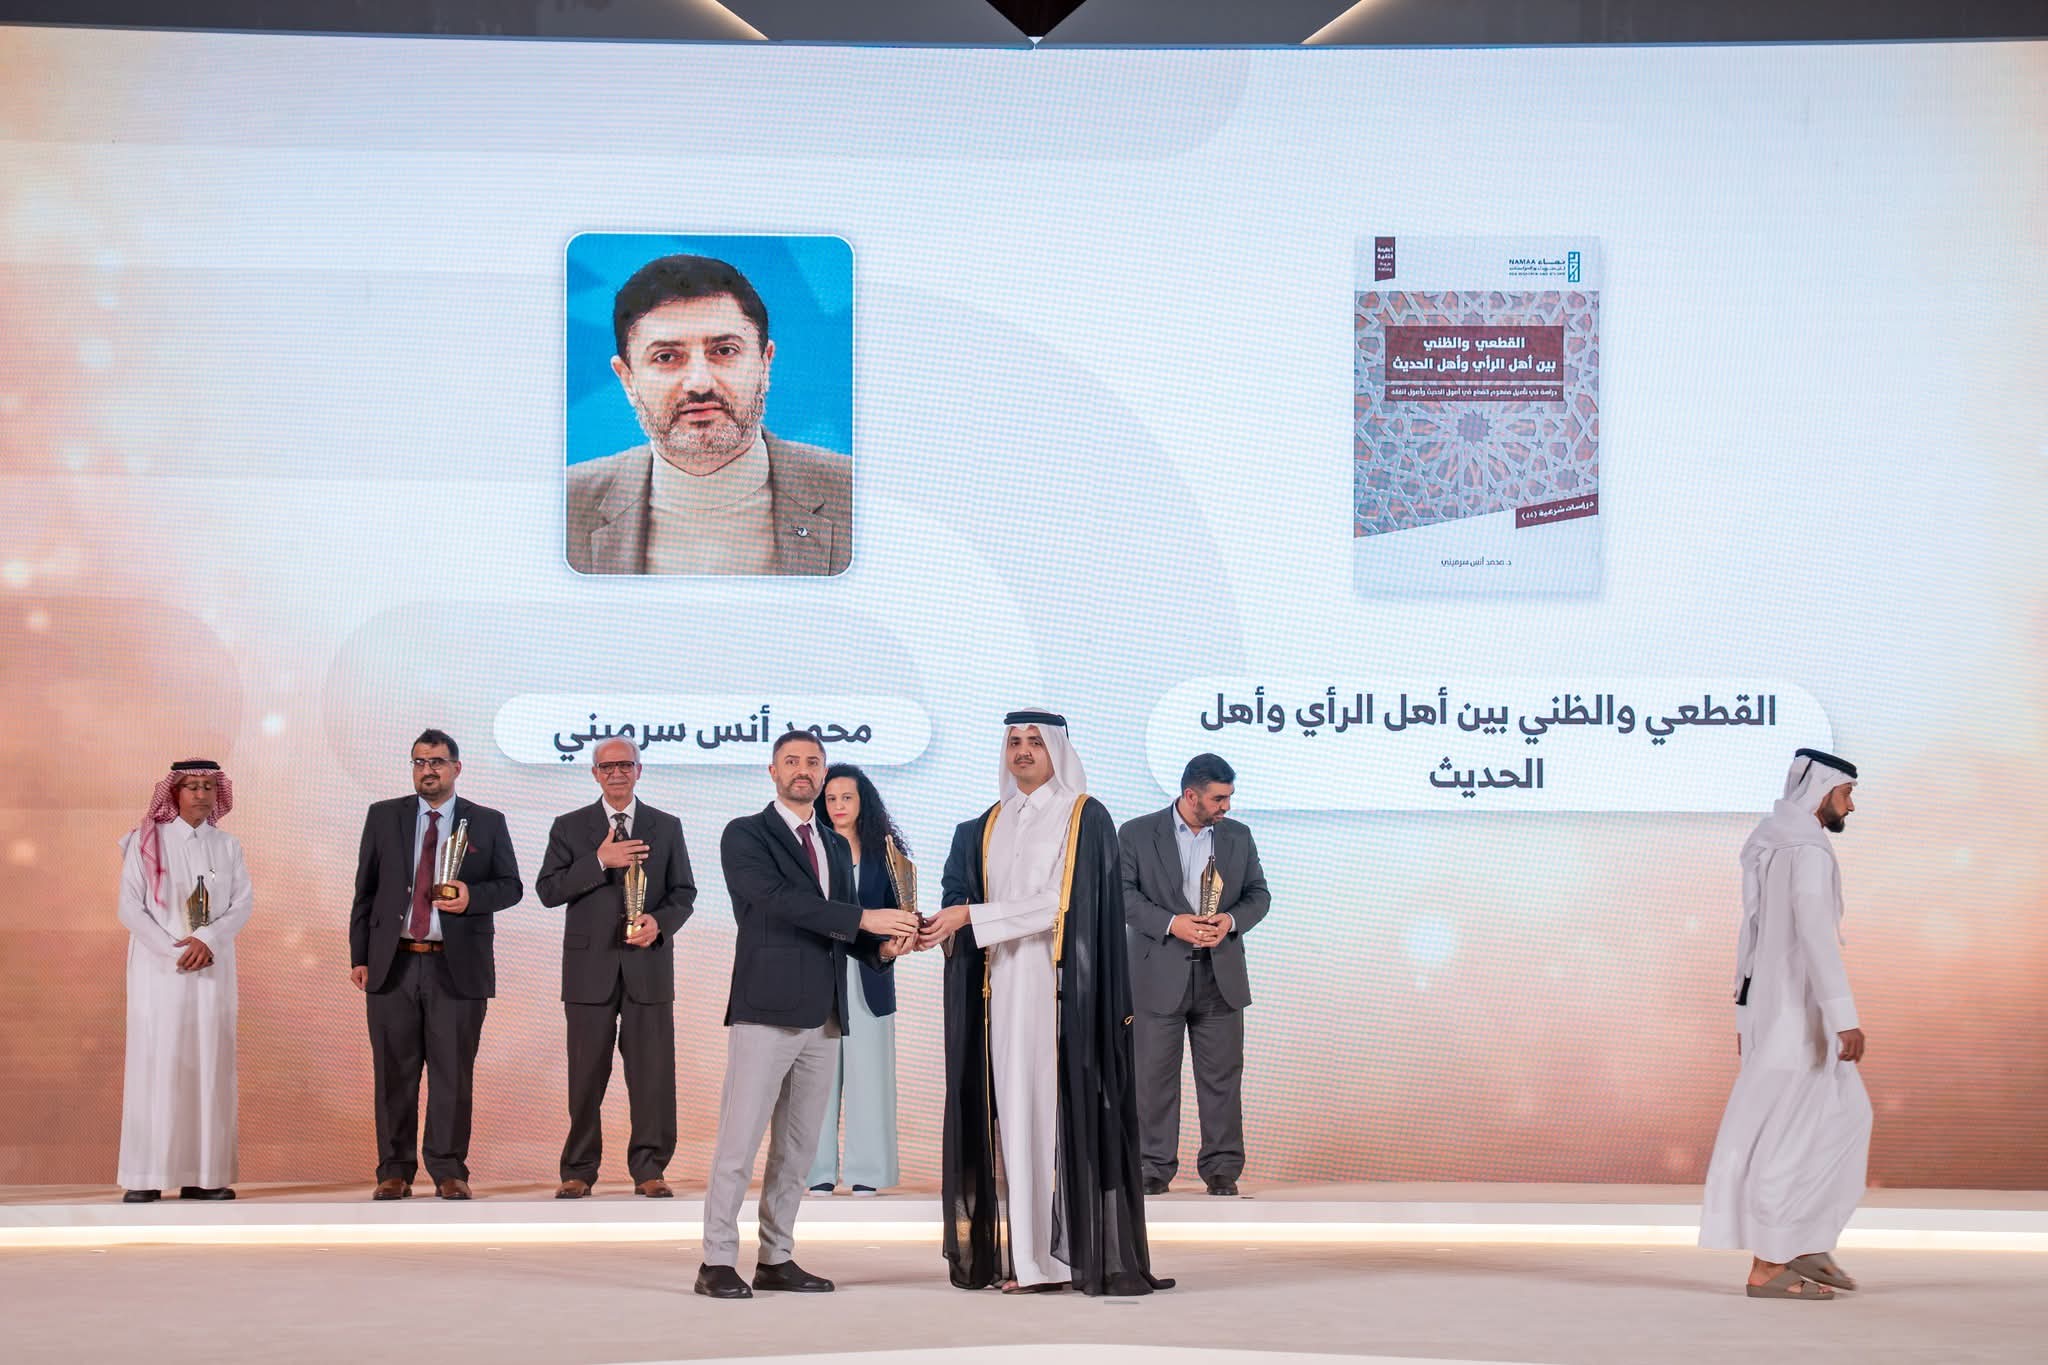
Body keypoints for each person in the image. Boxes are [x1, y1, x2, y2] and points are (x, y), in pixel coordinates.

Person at [920, 711, 1172, 1296]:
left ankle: (1062, 1260)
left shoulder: (1083, 815)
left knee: (1054, 1123)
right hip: (998, 993)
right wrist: (938, 926)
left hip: (1059, 993)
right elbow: (968, 901)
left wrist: (970, 916)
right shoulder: (991, 822)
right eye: (1014, 741)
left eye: (1035, 741)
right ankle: (1028, 1261)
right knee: (1014, 1121)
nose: (1024, 751)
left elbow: (1059, 904)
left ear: (1057, 749)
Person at [695, 732, 917, 1299]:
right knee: (739, 1144)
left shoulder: (835, 845)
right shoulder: (746, 833)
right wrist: (865, 919)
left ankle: (776, 1257)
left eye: (813, 762)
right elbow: (777, 902)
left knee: (797, 1150)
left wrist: (885, 947)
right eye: (791, 761)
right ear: (772, 771)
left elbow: (844, 928)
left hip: (825, 1015)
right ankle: (717, 1260)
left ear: (822, 772)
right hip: (766, 1010)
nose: (803, 770)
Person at [1701, 748, 1871, 1300]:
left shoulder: (1772, 843)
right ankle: (1769, 1265)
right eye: (1846, 793)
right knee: (1792, 1136)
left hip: (1776, 1011)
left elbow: (1748, 935)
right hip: (1801, 1017)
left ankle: (1803, 1241)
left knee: (1842, 1119)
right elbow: (1818, 938)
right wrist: (1845, 1019)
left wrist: (1744, 1011)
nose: (1850, 805)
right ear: (1822, 791)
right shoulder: (1807, 851)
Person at [567, 253, 851, 576]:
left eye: (724, 351)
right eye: (666, 357)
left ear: (765, 363)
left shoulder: (858, 496)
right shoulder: (564, 505)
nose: (700, 383)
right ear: (628, 379)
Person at [348, 729, 522, 1201]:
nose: (428, 770)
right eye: (420, 762)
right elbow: (365, 891)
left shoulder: (486, 821)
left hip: (456, 968)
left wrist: (471, 897)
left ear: (456, 768)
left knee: (452, 1074)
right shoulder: (384, 816)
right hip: (393, 965)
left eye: (437, 762)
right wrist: (360, 956)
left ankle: (448, 1170)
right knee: (394, 1073)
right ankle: (394, 1171)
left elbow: (511, 886)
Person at [535, 737, 698, 1199]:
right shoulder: (569, 827)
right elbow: (548, 891)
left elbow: (684, 893)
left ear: (639, 770)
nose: (617, 773)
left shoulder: (666, 826)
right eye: (607, 767)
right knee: (585, 1076)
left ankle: (650, 1169)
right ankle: (578, 1170)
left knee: (652, 1075)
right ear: (595, 774)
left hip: (649, 968)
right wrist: (598, 861)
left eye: (626, 765)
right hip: (589, 971)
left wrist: (660, 924)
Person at [1121, 753, 1271, 1197]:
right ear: (1191, 795)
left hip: (1219, 977)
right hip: (1156, 976)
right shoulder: (1136, 833)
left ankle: (1222, 1169)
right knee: (1152, 1079)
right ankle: (1152, 1167)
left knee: (1222, 1078)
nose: (1227, 806)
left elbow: (1258, 894)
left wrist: (1231, 921)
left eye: (1229, 797)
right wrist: (1173, 924)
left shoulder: (1238, 836)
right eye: (1219, 799)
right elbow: (1121, 894)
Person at [116, 759, 253, 1202]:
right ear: (174, 793)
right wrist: (174, 948)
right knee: (155, 1066)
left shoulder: (228, 846)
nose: (201, 794)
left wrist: (207, 939)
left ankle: (205, 1176)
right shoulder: (145, 842)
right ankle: (146, 1177)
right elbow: (129, 907)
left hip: (211, 972)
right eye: (192, 786)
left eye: (209, 787)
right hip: (159, 974)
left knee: (208, 1068)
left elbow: (242, 904)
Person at [806, 763, 905, 1197]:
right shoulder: (809, 850)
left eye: (847, 797)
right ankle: (816, 1173)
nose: (838, 805)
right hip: (817, 974)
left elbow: (898, 910)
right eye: (830, 798)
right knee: (816, 1078)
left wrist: (900, 938)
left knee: (871, 1078)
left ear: (863, 803)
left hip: (869, 973)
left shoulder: (886, 856)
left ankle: (869, 1173)